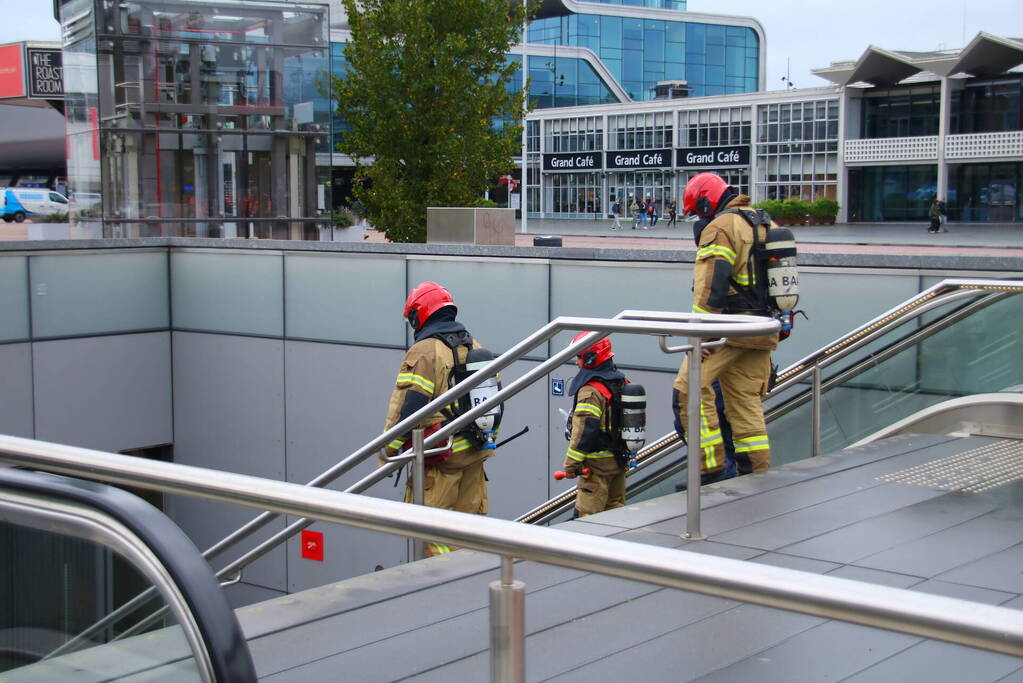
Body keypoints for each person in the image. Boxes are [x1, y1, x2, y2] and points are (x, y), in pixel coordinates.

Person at [672, 172, 778, 486]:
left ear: (706, 201)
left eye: (699, 211)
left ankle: (710, 472)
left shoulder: (720, 228)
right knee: (745, 405)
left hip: (729, 328)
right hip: (762, 329)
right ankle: (756, 477)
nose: (700, 219)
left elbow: (710, 288)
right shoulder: (764, 223)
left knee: (688, 389)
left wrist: (699, 334)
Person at [380, 281, 491, 557]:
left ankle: (446, 593)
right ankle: (471, 591)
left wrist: (387, 451)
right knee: (469, 534)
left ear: (420, 314)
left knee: (433, 537)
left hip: (441, 461)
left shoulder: (424, 351)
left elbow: (408, 408)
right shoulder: (475, 345)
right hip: (474, 453)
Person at [561, 332, 630, 517]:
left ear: (590, 358)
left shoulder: (590, 391)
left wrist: (571, 465)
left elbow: (584, 430)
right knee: (616, 513)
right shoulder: (620, 381)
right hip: (619, 461)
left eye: (579, 357)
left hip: (597, 467)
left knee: (587, 519)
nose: (577, 362)